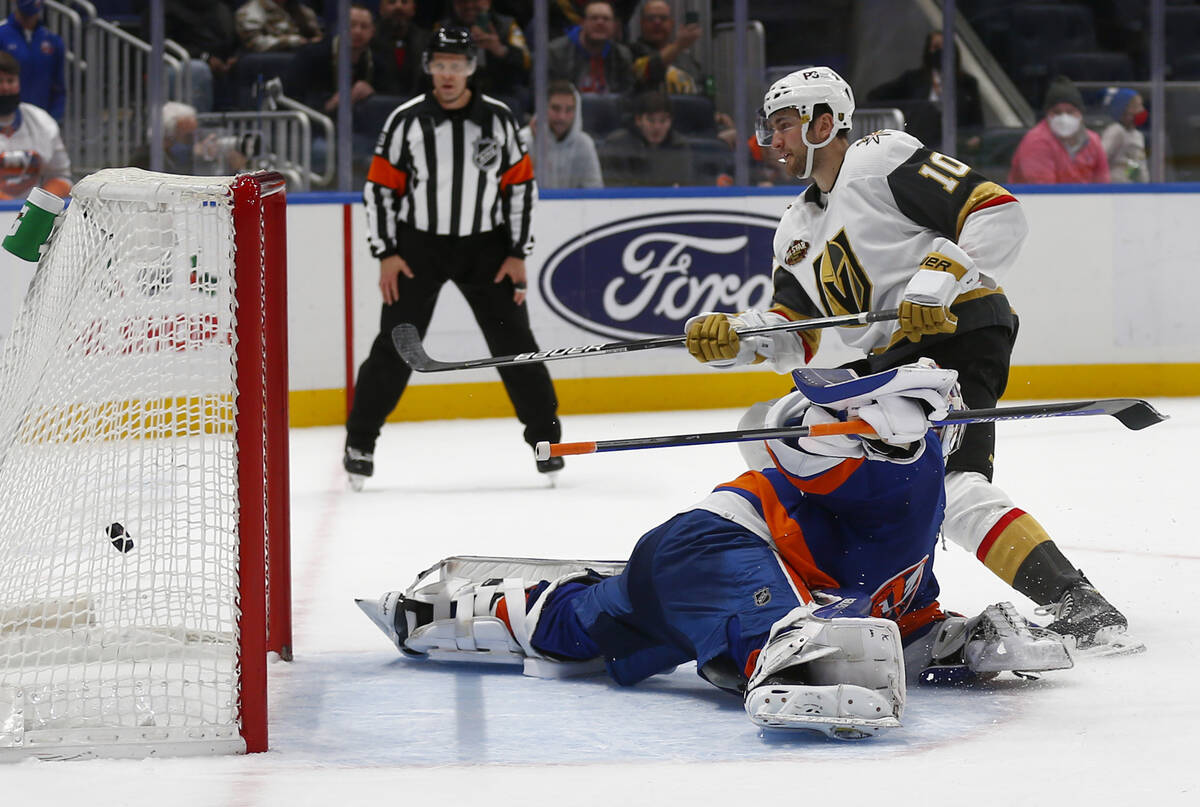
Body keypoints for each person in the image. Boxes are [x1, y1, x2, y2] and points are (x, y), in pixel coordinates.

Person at [357, 363, 1073, 738]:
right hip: (726, 543)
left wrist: (953, 642)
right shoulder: (881, 470)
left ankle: (449, 611)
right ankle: (778, 657)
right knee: (784, 637)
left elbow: (904, 619)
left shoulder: (917, 513)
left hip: (690, 567)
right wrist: (858, 411)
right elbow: (785, 436)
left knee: (585, 632)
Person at [681, 67, 1137, 654]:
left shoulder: (880, 158)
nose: (775, 141)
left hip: (961, 328)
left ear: (825, 124)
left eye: (785, 125)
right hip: (901, 354)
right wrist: (737, 337)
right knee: (777, 427)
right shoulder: (795, 228)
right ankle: (857, 583)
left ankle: (1082, 606)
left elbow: (997, 212)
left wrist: (937, 281)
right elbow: (798, 336)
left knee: (950, 483)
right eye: (771, 129)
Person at [348, 27, 562, 489]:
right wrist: (385, 252)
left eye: (457, 65)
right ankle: (360, 441)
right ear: (428, 67)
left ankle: (547, 441)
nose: (448, 75)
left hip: (486, 250)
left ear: (471, 68)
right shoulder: (406, 121)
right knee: (395, 345)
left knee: (515, 345)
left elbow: (520, 188)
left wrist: (516, 252)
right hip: (416, 249)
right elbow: (379, 189)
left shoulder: (500, 120)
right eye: (440, 64)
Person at [866, 30, 982, 151]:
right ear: (928, 50)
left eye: (945, 47)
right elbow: (875, 95)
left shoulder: (967, 83)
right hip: (921, 144)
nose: (940, 52)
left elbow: (977, 121)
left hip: (956, 146)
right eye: (936, 47)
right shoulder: (913, 79)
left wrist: (974, 138)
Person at [1009, 75, 1108, 184]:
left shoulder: (1093, 141)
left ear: (1080, 113)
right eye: (1057, 112)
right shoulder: (1036, 141)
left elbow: (1103, 185)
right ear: (1047, 114)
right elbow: (1043, 192)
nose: (1064, 117)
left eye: (1070, 111)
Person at [435, 0, 531, 113]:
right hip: (457, 92)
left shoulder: (508, 26)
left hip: (500, 91)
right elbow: (431, 67)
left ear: (488, 2)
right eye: (462, 1)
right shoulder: (442, 29)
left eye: (476, 1)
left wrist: (500, 50)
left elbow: (527, 62)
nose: (469, 5)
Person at [0, 51, 69, 201]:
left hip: (32, 216)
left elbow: (61, 176)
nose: (5, 88)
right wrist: (7, 208)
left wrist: (37, 205)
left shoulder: (41, 121)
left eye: (10, 81)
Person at [156, 0, 241, 113]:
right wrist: (205, 58)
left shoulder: (221, 8)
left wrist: (234, 57)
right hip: (179, 64)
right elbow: (161, 44)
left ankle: (246, 123)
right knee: (198, 69)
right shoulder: (168, 7)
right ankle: (199, 124)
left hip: (222, 63)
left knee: (249, 64)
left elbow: (234, 41)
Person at [291, 3, 377, 114]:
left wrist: (372, 93)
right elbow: (294, 98)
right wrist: (330, 103)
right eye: (352, 25)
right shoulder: (312, 55)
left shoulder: (376, 61)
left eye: (364, 26)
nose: (357, 31)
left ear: (372, 32)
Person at [599, 90, 695, 186]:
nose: (657, 127)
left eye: (663, 121)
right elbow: (613, 187)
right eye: (651, 120)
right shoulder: (617, 144)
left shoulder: (679, 146)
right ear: (638, 120)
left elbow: (684, 186)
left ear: (670, 121)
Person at [520, 80, 603, 189]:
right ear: (544, 108)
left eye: (569, 110)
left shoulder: (585, 145)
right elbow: (516, 191)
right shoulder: (525, 141)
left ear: (576, 112)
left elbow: (595, 193)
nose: (561, 117)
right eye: (555, 108)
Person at [130, 101, 249, 175]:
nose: (193, 142)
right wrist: (198, 157)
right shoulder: (146, 158)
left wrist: (229, 166)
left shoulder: (181, 159)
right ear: (167, 136)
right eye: (188, 136)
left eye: (195, 135)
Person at [547, 1, 636, 96]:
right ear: (582, 23)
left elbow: (628, 97)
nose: (600, 23)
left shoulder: (622, 55)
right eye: (594, 18)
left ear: (614, 25)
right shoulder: (555, 53)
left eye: (606, 19)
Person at [0, 0, 65, 121]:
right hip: (6, 121)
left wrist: (55, 119)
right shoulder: (2, 34)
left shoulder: (53, 41)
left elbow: (58, 87)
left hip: (41, 122)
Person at [629, 0, 704, 95]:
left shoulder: (686, 58)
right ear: (642, 23)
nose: (657, 22)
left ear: (671, 23)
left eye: (663, 18)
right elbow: (643, 71)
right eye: (651, 18)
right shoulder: (630, 52)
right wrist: (678, 45)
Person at [371, 0, 431, 98]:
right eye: (392, 2)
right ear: (381, 9)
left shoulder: (426, 41)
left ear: (413, 9)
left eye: (404, 2)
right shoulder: (369, 40)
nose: (398, 6)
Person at [1100, 87, 1148, 184]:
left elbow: (1136, 164)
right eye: (1137, 106)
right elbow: (1101, 158)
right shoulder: (1115, 131)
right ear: (1124, 109)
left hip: (1133, 187)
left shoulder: (1137, 135)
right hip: (1115, 187)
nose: (1142, 110)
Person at [236, 0, 323, 53]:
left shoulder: (302, 10)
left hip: (304, 58)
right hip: (272, 63)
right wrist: (292, 41)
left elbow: (317, 35)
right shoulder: (250, 12)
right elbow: (254, 43)